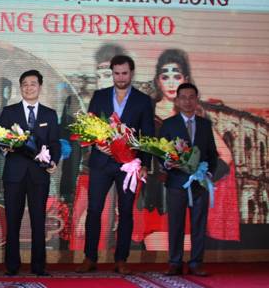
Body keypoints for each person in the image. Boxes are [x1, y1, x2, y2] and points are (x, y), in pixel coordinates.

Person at [144, 49, 239, 246]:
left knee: (189, 240)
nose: (171, 83)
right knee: (158, 247)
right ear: (158, 81)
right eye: (165, 77)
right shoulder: (147, 110)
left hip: (188, 189)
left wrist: (204, 177)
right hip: (154, 193)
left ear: (186, 79)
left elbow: (225, 155)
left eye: (177, 76)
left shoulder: (196, 116)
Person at [76, 54, 154, 275]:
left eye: (124, 73)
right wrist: (96, 144)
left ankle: (121, 259)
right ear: (112, 73)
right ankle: (90, 257)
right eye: (117, 73)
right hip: (101, 162)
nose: (120, 78)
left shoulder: (142, 100)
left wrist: (145, 164)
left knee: (126, 212)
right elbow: (89, 126)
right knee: (94, 209)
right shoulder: (100, 96)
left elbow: (148, 134)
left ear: (132, 73)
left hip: (128, 164)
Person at [0, 69, 60, 276]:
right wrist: (4, 147)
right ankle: (12, 266)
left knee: (38, 220)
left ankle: (39, 266)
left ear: (40, 87)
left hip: (39, 174)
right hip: (14, 174)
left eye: (33, 84)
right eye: (25, 84)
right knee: (12, 220)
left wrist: (54, 161)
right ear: (20, 87)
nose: (29, 87)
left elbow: (54, 143)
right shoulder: (9, 112)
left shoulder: (49, 114)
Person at [160, 83, 218, 276]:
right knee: (176, 224)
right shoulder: (168, 124)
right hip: (176, 182)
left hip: (199, 183)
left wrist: (208, 174)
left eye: (191, 97)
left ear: (196, 100)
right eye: (183, 98)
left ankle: (196, 263)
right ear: (177, 101)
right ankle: (175, 262)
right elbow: (160, 153)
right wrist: (167, 163)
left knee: (199, 224)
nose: (187, 101)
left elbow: (212, 154)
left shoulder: (205, 125)